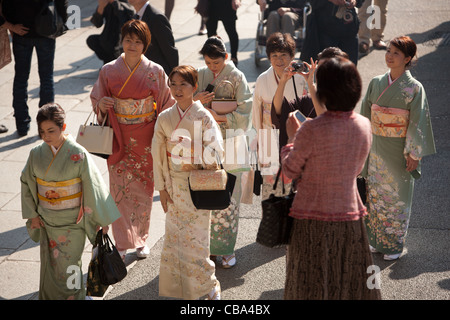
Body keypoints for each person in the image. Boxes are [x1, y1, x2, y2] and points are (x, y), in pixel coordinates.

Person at [281, 56, 380, 300]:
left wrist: (291, 140)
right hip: (350, 215)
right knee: (350, 283)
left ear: (323, 91)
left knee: (311, 283)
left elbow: (288, 172)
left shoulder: (310, 130)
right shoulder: (364, 125)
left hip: (311, 217)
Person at [90, 19, 175, 261]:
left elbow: (166, 103)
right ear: (122, 41)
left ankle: (141, 239)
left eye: (138, 42)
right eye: (128, 40)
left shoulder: (155, 71)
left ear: (145, 45)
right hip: (118, 137)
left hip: (146, 137)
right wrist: (103, 105)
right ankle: (122, 242)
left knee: (144, 192)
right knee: (118, 191)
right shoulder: (108, 70)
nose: (132, 45)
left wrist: (165, 135)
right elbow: (98, 98)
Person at [20, 103, 121, 300]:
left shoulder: (78, 153)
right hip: (46, 220)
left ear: (63, 128)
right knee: (50, 265)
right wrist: (32, 215)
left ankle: (75, 296)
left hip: (72, 221)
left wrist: (102, 219)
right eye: (42, 131)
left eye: (51, 130)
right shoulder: (36, 154)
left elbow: (93, 185)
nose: (46, 136)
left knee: (71, 263)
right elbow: (26, 183)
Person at [360, 36, 436, 260]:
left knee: (396, 197)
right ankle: (376, 240)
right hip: (376, 148)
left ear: (408, 59)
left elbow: (418, 121)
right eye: (388, 51)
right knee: (375, 196)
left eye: (395, 53)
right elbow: (365, 115)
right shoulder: (376, 82)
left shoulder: (414, 88)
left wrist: (414, 153)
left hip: (399, 149)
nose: (389, 56)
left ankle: (393, 245)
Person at [151, 65, 223, 300]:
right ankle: (178, 288)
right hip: (173, 184)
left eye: (183, 84)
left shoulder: (203, 117)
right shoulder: (165, 117)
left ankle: (207, 285)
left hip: (198, 184)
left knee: (198, 240)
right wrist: (161, 188)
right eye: (173, 84)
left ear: (194, 87)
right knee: (175, 238)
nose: (177, 89)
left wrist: (191, 147)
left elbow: (216, 154)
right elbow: (158, 154)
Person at [194, 36, 252, 268]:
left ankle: (226, 249)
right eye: (208, 63)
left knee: (230, 198)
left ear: (226, 57)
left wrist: (218, 115)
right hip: (207, 142)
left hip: (233, 142)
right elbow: (186, 102)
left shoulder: (238, 77)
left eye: (216, 63)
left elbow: (246, 110)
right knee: (207, 192)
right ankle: (207, 248)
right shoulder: (199, 74)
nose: (211, 67)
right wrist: (197, 100)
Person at [252, 32, 307, 199]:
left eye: (284, 55)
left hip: (294, 138)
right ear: (268, 58)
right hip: (269, 137)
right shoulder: (262, 79)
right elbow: (256, 112)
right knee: (271, 191)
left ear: (292, 57)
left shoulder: (300, 79)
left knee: (294, 188)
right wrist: (258, 141)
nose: (279, 60)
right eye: (274, 55)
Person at [1, 0, 68, 137]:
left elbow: (7, 5)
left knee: (21, 78)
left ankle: (22, 124)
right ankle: (47, 125)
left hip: (21, 31)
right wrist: (60, 21)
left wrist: (12, 25)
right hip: (46, 30)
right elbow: (63, 3)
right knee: (46, 77)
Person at [300, 0, 364, 66]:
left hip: (349, 29)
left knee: (349, 71)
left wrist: (355, 1)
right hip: (324, 30)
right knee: (327, 70)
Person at [128, 0, 179, 75]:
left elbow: (170, 51)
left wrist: (173, 77)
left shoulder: (156, 17)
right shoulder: (136, 16)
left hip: (157, 75)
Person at [87, 0, 135, 66]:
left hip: (120, 42)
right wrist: (101, 7)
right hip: (106, 38)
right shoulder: (107, 3)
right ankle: (108, 61)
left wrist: (114, 2)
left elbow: (125, 21)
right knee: (91, 40)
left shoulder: (127, 3)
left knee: (111, 45)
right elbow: (97, 24)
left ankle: (116, 63)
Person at [206, 0, 241, 65]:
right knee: (211, 33)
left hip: (227, 3)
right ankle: (213, 56)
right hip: (210, 4)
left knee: (231, 31)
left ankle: (234, 57)